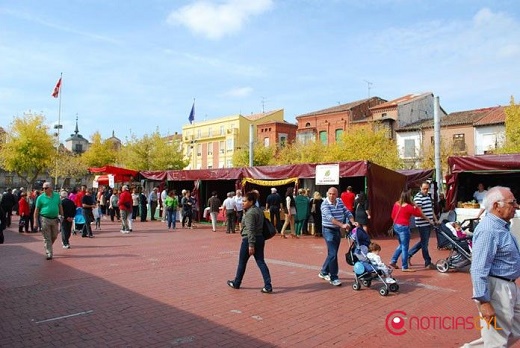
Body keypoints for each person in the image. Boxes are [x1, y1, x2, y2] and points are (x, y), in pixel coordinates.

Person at [465, 186, 520, 347]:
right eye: (512, 202)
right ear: (497, 206)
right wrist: (484, 301)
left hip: (508, 286)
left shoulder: (501, 226)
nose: (516, 206)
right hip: (496, 288)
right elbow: (478, 268)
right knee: (496, 339)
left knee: (508, 331)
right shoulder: (488, 230)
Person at [227, 191, 273, 293]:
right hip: (260, 238)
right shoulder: (259, 210)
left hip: (249, 239)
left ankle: (237, 282)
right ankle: (268, 285)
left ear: (251, 202)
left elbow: (250, 229)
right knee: (261, 262)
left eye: (244, 201)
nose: (242, 203)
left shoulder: (250, 213)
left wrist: (251, 245)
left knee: (242, 263)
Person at [318, 187, 357, 286]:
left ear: (337, 195)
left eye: (333, 194)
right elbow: (330, 218)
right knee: (333, 254)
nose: (331, 196)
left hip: (337, 230)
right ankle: (334, 277)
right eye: (330, 194)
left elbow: (347, 212)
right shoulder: (324, 204)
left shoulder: (339, 201)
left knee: (332, 253)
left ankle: (323, 271)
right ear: (327, 194)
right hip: (328, 230)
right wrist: (342, 225)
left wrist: (352, 221)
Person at [390, 190, 433, 272]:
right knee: (405, 247)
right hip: (404, 227)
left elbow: (392, 215)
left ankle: (393, 260)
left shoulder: (396, 204)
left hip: (396, 226)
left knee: (401, 245)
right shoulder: (409, 207)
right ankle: (404, 266)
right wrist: (415, 205)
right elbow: (418, 213)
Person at [408, 182, 439, 269]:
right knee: (424, 243)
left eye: (427, 189)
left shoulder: (428, 196)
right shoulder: (418, 197)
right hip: (422, 223)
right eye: (424, 189)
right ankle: (427, 262)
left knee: (423, 242)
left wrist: (435, 219)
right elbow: (420, 212)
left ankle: (408, 255)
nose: (425, 190)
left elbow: (430, 209)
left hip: (428, 223)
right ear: (420, 188)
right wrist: (429, 220)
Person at [34, 182, 63, 260]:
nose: (44, 189)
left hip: (55, 219)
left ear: (50, 188)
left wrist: (62, 215)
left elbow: (60, 206)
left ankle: (48, 245)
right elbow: (36, 210)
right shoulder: (40, 198)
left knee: (54, 235)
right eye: (43, 188)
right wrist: (35, 221)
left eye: (46, 188)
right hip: (44, 218)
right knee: (47, 237)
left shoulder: (57, 196)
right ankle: (49, 253)